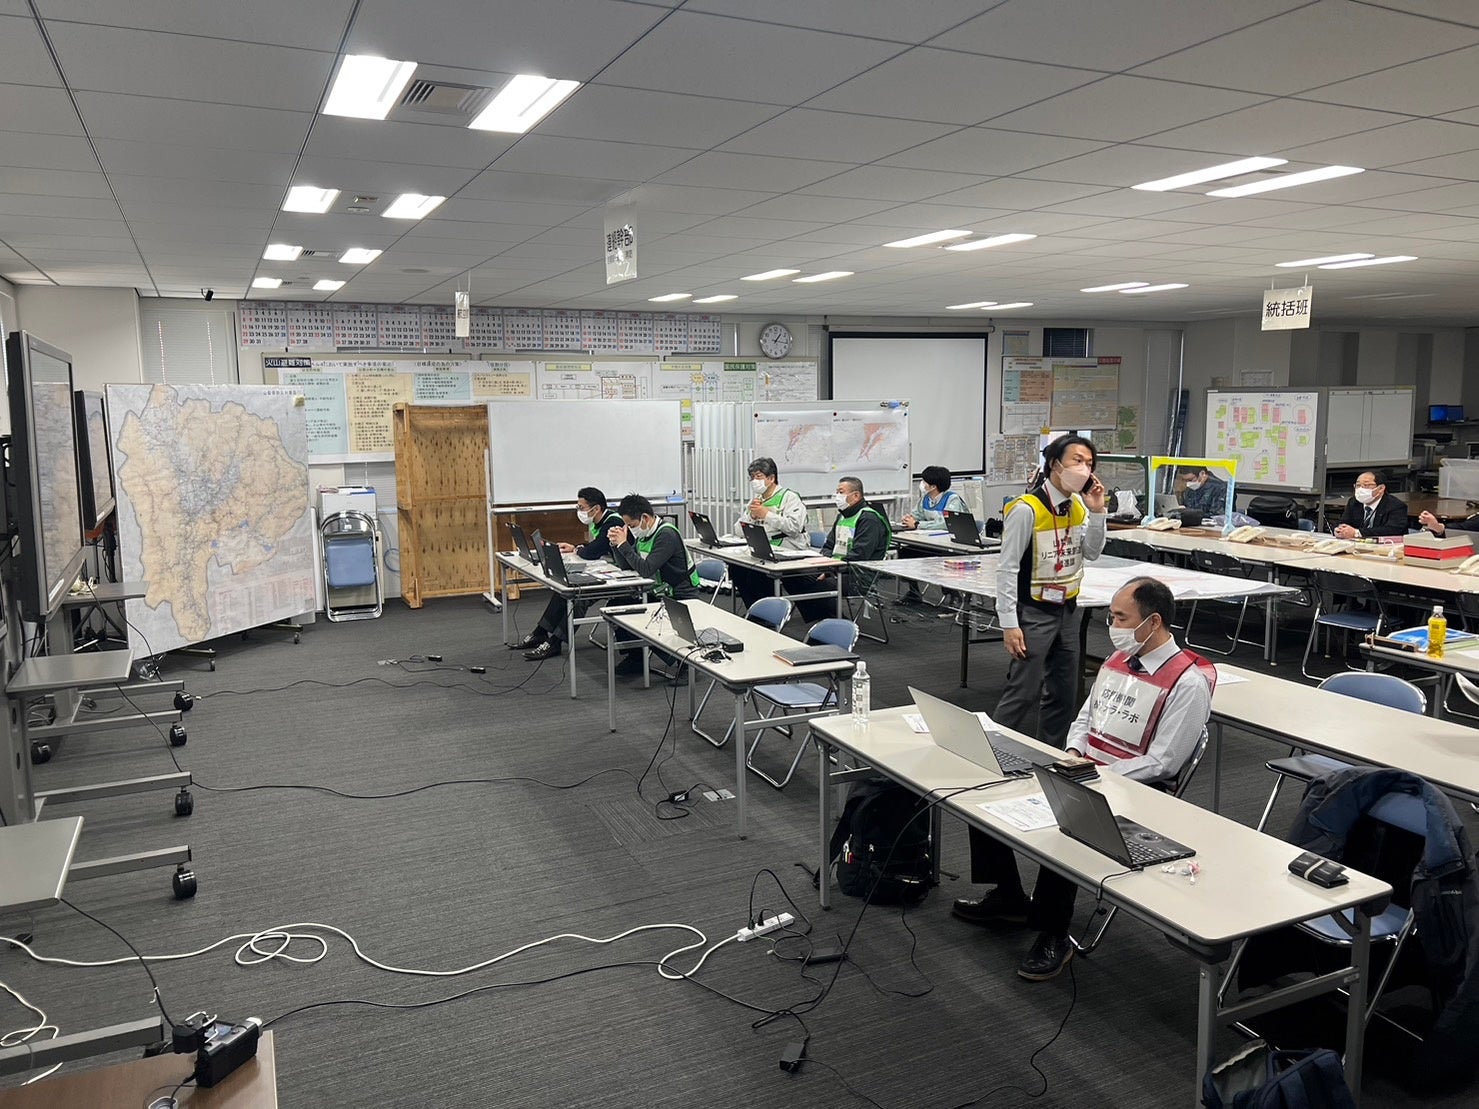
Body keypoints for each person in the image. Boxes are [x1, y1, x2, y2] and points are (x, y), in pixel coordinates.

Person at [954, 577, 1217, 981]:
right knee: (988, 789)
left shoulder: (1187, 682)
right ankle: (1009, 896)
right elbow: (1084, 719)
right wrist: (1075, 754)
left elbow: (1164, 762)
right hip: (1086, 771)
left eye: (1121, 618)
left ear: (1153, 622)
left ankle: (1053, 933)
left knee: (1070, 817)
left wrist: (1097, 775)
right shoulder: (1118, 661)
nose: (1113, 626)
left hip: (1138, 788)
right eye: (1112, 617)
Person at [992, 434, 1108, 748]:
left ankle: (1051, 754)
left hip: (1068, 610)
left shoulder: (1078, 506)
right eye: (1077, 461)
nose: (1084, 469)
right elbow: (1007, 568)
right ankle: (991, 752)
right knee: (1024, 690)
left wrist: (1098, 512)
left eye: (1089, 464)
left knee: (1064, 692)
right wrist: (1009, 623)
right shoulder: (1026, 509)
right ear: (1055, 464)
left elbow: (1091, 552)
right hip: (1033, 611)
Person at [511, 487, 623, 661]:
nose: (579, 511)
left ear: (596, 508)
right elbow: (594, 547)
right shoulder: (598, 521)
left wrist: (579, 549)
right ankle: (541, 632)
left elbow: (594, 551)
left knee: (579, 596)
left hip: (622, 577)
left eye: (581, 507)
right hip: (608, 571)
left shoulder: (613, 522)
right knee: (563, 590)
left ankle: (555, 642)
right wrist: (576, 547)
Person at [608, 494, 701, 675]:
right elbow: (628, 565)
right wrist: (616, 545)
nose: (630, 529)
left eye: (631, 525)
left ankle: (686, 663)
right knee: (617, 606)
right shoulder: (644, 534)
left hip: (679, 593)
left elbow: (646, 569)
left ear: (645, 518)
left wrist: (624, 545)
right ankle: (636, 658)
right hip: (658, 591)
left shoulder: (666, 534)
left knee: (644, 616)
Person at [792, 476, 891, 621]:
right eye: (837, 492)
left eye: (841, 492)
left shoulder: (869, 519)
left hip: (858, 575)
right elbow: (829, 546)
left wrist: (830, 570)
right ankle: (824, 617)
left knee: (816, 584)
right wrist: (825, 566)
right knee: (794, 577)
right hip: (836, 569)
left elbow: (859, 555)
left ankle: (838, 622)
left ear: (856, 495)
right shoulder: (843, 516)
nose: (837, 496)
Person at [731, 457, 809, 608]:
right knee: (737, 569)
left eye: (758, 476)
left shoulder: (789, 497)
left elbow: (794, 528)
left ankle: (768, 612)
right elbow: (738, 531)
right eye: (752, 477)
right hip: (763, 549)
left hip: (788, 548)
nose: (754, 481)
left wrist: (766, 514)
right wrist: (751, 516)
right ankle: (755, 610)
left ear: (771, 478)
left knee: (756, 575)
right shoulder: (756, 500)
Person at [899, 466, 969, 605]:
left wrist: (918, 524)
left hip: (952, 545)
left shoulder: (952, 499)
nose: (922, 484)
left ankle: (953, 594)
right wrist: (909, 519)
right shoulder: (926, 498)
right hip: (933, 542)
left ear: (933, 486)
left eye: (924, 481)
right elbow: (917, 514)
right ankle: (914, 592)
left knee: (944, 559)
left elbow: (946, 523)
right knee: (906, 552)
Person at [1333, 471, 1407, 539]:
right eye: (1358, 485)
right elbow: (1343, 522)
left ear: (1381, 488)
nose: (1361, 489)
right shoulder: (1354, 502)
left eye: (1366, 485)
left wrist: (1357, 533)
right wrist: (1340, 529)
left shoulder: (1396, 506)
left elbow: (1392, 530)